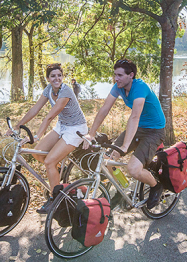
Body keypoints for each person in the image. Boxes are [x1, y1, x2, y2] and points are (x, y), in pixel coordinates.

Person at [81, 59, 165, 209]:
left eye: (119, 75)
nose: (116, 78)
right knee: (108, 160)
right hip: (138, 128)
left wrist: (126, 145)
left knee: (133, 169)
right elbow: (105, 109)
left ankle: (156, 186)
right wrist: (91, 134)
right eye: (115, 75)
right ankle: (122, 188)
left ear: (131, 75)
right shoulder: (118, 87)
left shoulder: (140, 87)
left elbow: (135, 116)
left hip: (154, 130)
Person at [9, 63, 87, 213]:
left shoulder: (66, 91)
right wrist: (17, 125)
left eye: (59, 75)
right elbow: (35, 109)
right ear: (48, 78)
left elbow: (50, 116)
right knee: (37, 153)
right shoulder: (49, 89)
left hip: (76, 128)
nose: (57, 78)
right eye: (53, 76)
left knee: (49, 161)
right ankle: (57, 175)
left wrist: (37, 135)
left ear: (62, 77)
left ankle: (56, 199)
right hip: (62, 125)